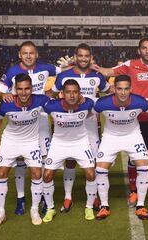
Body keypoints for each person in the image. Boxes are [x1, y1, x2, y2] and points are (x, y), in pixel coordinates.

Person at [92, 37, 148, 207]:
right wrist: (89, 65)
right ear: (139, 51)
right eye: (144, 48)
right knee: (135, 158)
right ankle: (134, 191)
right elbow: (108, 72)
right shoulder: (130, 64)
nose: (147, 51)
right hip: (137, 119)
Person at [0, 41, 62, 215]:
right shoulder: (12, 72)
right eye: (25, 53)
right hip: (22, 118)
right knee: (21, 161)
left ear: (36, 54)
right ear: (20, 55)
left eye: (31, 53)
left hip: (41, 116)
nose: (29, 56)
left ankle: (47, 200)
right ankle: (21, 198)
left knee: (46, 159)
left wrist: (52, 93)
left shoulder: (47, 68)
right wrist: (5, 95)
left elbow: (66, 73)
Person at [46, 43, 110, 213]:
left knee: (94, 162)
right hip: (69, 124)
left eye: (86, 56)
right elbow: (51, 95)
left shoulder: (97, 76)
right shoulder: (64, 76)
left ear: (91, 57)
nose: (83, 59)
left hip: (90, 125)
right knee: (70, 161)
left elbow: (109, 92)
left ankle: (94, 196)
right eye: (80, 56)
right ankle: (68, 197)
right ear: (75, 56)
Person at [0, 73, 49, 228]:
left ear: (32, 89)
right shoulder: (6, 103)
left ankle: (34, 210)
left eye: (27, 89)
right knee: (1, 173)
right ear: (15, 89)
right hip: (10, 141)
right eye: (20, 89)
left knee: (37, 173)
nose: (24, 92)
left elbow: (57, 102)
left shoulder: (40, 100)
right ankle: (0, 213)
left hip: (31, 142)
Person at [94, 75, 148, 220]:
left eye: (126, 89)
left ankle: (141, 205)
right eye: (119, 89)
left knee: (143, 167)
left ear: (131, 89)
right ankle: (104, 206)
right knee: (100, 170)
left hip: (133, 136)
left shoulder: (139, 102)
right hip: (110, 137)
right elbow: (89, 113)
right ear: (114, 89)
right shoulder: (103, 103)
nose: (123, 92)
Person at [41, 80, 97, 222]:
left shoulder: (87, 103)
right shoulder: (51, 106)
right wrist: (11, 95)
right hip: (59, 144)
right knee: (47, 176)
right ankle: (50, 209)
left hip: (81, 143)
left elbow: (107, 100)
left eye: (75, 92)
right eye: (68, 92)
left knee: (91, 174)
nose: (71, 95)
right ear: (62, 94)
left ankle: (89, 207)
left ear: (80, 94)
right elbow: (35, 100)